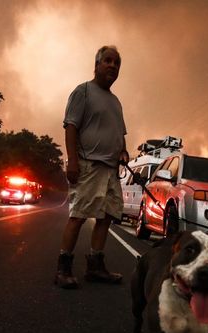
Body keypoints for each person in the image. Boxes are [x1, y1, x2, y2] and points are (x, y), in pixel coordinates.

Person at [55, 45, 130, 289]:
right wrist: (72, 161)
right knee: (78, 216)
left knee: (106, 217)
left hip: (111, 171)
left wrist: (123, 150)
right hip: (88, 165)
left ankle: (95, 267)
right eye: (107, 61)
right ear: (96, 65)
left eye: (116, 63)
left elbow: (120, 132)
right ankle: (63, 268)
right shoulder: (83, 91)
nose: (112, 66)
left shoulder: (116, 102)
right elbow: (71, 127)